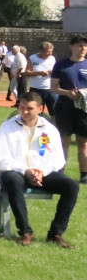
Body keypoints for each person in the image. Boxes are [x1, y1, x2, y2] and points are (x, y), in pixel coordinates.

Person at [0, 91, 78, 247]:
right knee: (12, 180)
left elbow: (58, 159)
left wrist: (41, 171)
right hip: (16, 172)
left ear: (40, 109)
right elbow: (0, 158)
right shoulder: (8, 127)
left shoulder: (49, 129)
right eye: (22, 107)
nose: (24, 112)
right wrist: (26, 170)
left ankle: (55, 234)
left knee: (71, 186)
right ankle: (25, 232)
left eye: (30, 108)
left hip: (42, 173)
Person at [51, 35, 87, 184]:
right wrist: (67, 93)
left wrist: (82, 92)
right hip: (64, 108)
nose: (83, 48)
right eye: (79, 45)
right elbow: (53, 88)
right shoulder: (61, 65)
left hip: (84, 109)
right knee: (63, 140)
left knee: (83, 142)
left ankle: (84, 174)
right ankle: (61, 172)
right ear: (71, 47)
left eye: (85, 46)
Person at [24, 42, 56, 115]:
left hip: (50, 89)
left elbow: (56, 71)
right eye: (48, 52)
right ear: (41, 51)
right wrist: (39, 73)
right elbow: (26, 73)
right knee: (35, 112)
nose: (50, 54)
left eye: (51, 51)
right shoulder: (33, 58)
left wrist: (52, 72)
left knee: (54, 112)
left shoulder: (52, 59)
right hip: (36, 89)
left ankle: (54, 126)